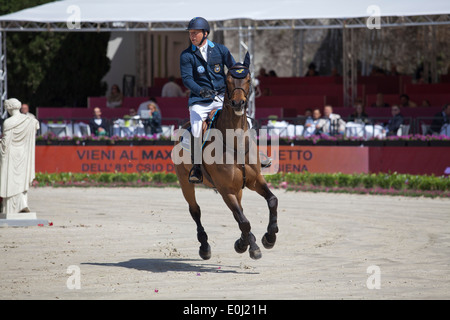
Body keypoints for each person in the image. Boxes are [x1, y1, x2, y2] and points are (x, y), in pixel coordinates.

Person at [180, 17, 236, 183]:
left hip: (221, 98)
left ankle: (255, 155)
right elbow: (187, 79)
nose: (192, 36)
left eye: (195, 33)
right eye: (191, 33)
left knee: (243, 120)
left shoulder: (220, 50)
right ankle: (197, 167)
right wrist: (200, 90)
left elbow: (232, 69)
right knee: (197, 130)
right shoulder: (187, 55)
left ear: (205, 33)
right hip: (199, 101)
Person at [0, 98, 39, 214]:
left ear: (9, 108)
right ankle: (22, 203)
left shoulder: (8, 122)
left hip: (11, 154)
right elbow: (36, 126)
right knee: (21, 179)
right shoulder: (29, 120)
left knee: (11, 179)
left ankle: (12, 207)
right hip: (23, 153)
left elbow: (5, 144)